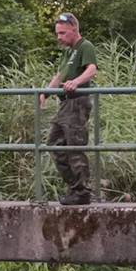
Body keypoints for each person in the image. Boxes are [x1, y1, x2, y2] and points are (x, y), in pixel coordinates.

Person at [40, 12, 99, 205]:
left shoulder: (85, 46)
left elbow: (92, 69)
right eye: (57, 33)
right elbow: (60, 75)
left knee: (74, 146)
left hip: (77, 102)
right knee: (54, 144)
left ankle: (82, 192)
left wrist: (76, 82)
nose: (59, 37)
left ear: (74, 29)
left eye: (63, 33)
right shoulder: (67, 52)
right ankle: (76, 187)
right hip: (65, 103)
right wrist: (46, 92)